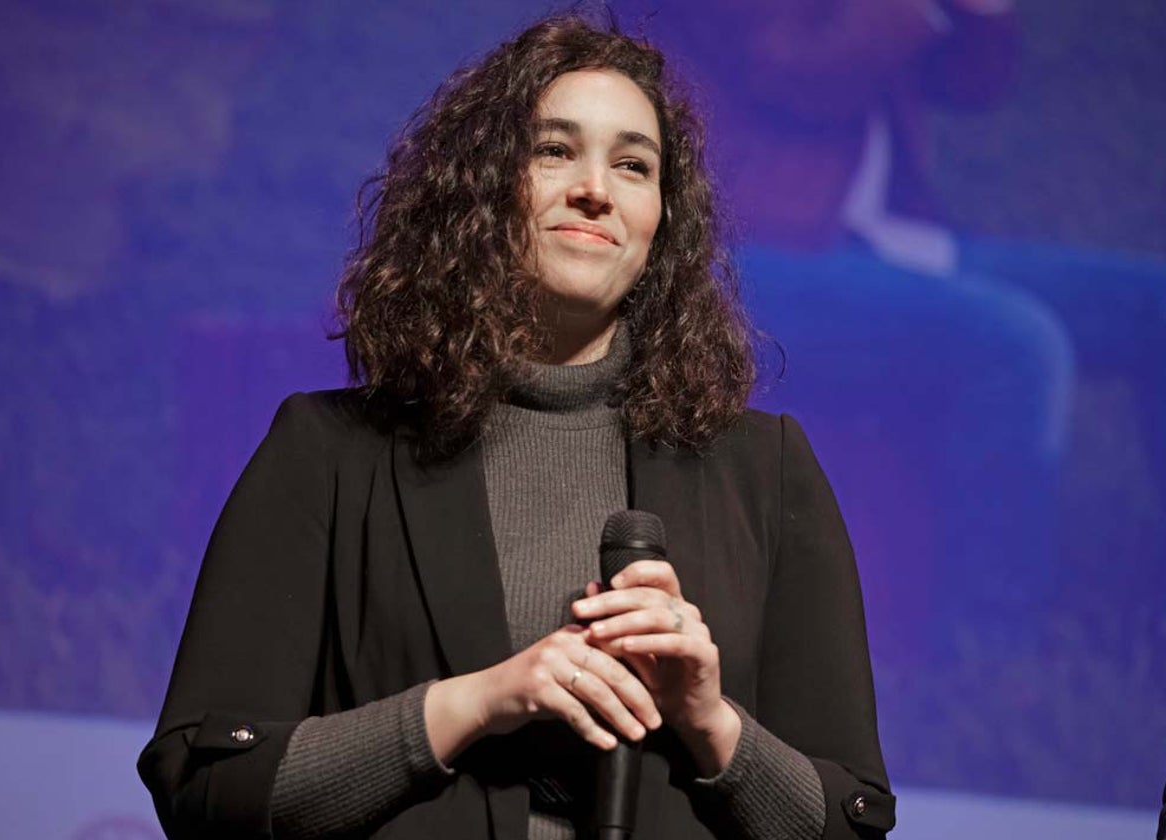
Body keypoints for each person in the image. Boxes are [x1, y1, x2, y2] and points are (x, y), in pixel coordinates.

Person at [137, 15, 893, 840]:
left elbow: (850, 824)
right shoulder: (328, 453)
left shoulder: (766, 469)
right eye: (554, 151)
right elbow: (206, 787)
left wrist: (711, 721)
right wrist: (477, 702)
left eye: (634, 164)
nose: (595, 189)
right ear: (481, 188)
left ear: (662, 222)